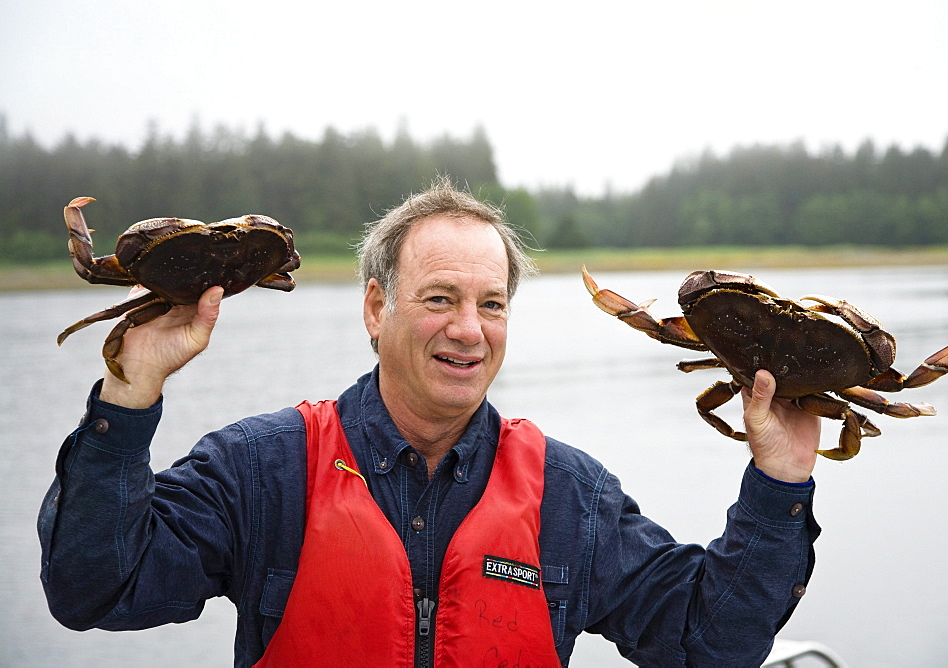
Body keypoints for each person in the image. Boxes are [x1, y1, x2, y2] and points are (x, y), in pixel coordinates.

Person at [39, 178, 821, 667]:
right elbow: (96, 590)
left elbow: (707, 643)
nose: (468, 330)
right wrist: (128, 391)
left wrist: (779, 479)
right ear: (377, 309)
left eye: (491, 304)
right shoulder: (263, 468)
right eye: (440, 299)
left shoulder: (568, 495)